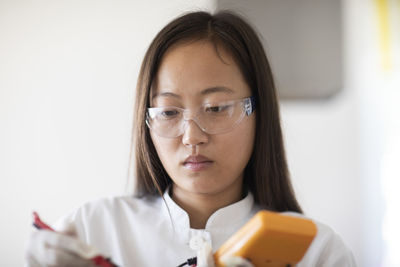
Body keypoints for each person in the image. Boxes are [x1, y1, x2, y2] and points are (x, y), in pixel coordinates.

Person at [25, 10, 357, 267]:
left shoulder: (314, 250)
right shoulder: (94, 229)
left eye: (215, 108)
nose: (192, 136)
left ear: (259, 111)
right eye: (169, 112)